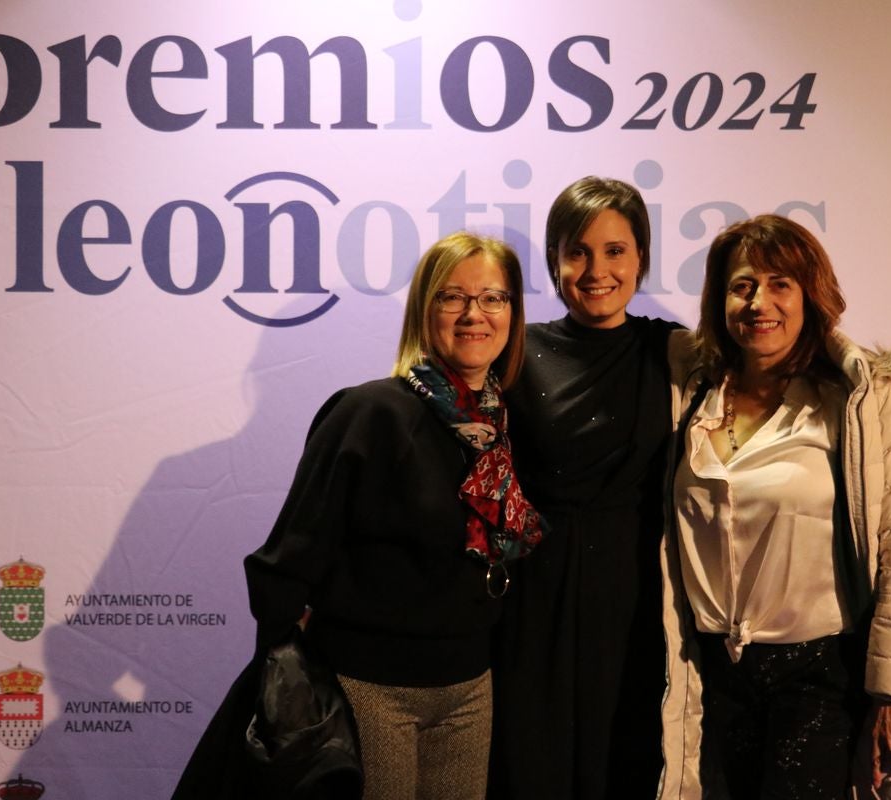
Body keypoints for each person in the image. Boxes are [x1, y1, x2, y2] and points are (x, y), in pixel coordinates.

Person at [173, 231, 545, 800]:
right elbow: (286, 562)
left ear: (513, 315)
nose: (475, 314)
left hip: (470, 687)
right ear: (425, 311)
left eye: (493, 298)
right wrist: (288, 686)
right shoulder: (370, 412)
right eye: (453, 297)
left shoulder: (503, 428)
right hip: (370, 688)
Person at [658, 215, 891, 799]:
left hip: (820, 678)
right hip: (708, 678)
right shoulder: (692, 394)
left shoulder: (866, 404)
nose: (758, 302)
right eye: (742, 285)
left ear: (811, 296)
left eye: (780, 285)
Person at [489, 177, 679, 799]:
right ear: (554, 261)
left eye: (615, 251)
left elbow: (778, 348)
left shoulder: (673, 352)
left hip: (636, 606)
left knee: (623, 765)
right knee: (529, 765)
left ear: (641, 258)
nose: (597, 270)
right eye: (578, 252)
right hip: (530, 602)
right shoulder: (515, 349)